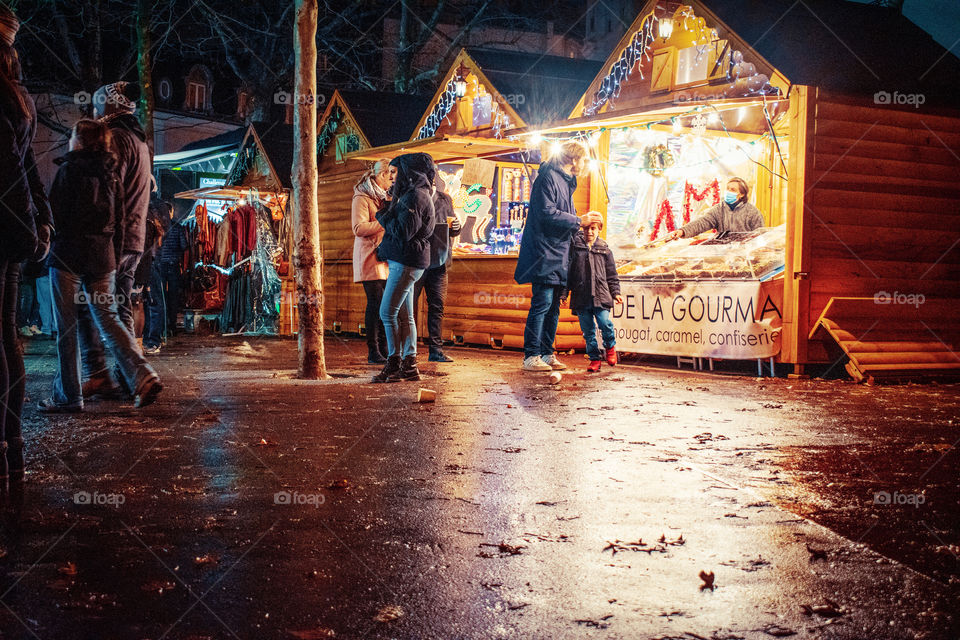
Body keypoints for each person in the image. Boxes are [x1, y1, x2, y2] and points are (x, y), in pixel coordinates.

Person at [41, 119, 162, 413]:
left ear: (79, 141)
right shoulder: (112, 177)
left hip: (68, 256)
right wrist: (112, 254)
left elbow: (55, 217)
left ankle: (69, 395)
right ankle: (142, 373)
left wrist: (48, 252)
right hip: (102, 257)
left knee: (66, 328)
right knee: (109, 319)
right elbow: (119, 222)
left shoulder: (68, 171)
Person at [0, 5, 53, 482]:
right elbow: (27, 166)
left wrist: (33, 224)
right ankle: (11, 444)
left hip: (8, 227)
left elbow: (12, 169)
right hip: (16, 230)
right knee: (7, 335)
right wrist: (40, 224)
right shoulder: (19, 98)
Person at [78, 81, 152, 398]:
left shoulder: (118, 139)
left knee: (90, 305)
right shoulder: (139, 140)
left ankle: (98, 373)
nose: (95, 112)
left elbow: (109, 191)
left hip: (114, 238)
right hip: (134, 237)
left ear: (111, 106)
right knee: (119, 306)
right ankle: (130, 378)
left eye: (99, 106)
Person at [514, 141, 601, 372]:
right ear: (572, 159)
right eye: (583, 160)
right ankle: (531, 355)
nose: (584, 165)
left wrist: (578, 223)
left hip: (558, 254)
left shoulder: (565, 182)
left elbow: (562, 214)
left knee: (553, 306)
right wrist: (578, 220)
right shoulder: (548, 178)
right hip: (544, 253)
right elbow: (546, 213)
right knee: (541, 304)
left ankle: (546, 352)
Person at [371, 152, 435, 383]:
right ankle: (409, 365)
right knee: (406, 315)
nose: (392, 178)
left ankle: (394, 363)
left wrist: (381, 215)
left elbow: (404, 231)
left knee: (386, 312)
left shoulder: (415, 197)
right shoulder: (415, 195)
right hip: (408, 260)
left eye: (395, 173)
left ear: (408, 172)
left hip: (406, 261)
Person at [563, 217, 622, 373]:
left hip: (601, 295)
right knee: (588, 331)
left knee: (604, 323)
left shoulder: (605, 250)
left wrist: (616, 293)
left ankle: (610, 346)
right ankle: (594, 359)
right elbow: (569, 274)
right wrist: (564, 294)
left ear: (599, 230)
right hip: (581, 297)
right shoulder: (575, 249)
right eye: (586, 228)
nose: (589, 232)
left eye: (593, 229)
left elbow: (612, 275)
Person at [413, 173, 461, 363]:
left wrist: (456, 227)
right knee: (411, 306)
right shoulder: (415, 197)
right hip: (418, 259)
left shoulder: (445, 199)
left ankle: (436, 350)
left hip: (440, 260)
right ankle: (409, 350)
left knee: (437, 306)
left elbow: (454, 226)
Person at [351, 158, 394, 364]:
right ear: (382, 175)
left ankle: (384, 348)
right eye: (390, 176)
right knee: (375, 302)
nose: (392, 181)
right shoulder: (362, 197)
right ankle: (373, 350)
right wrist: (383, 221)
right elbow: (358, 228)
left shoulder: (385, 198)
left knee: (384, 304)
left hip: (384, 257)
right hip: (369, 256)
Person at [667, 177, 764, 240]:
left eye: (733, 190)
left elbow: (760, 235)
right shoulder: (719, 209)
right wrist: (683, 231)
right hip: (723, 253)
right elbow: (702, 222)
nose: (728, 191)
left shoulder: (752, 212)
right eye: (728, 188)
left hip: (744, 255)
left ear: (742, 194)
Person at [139, 194, 170, 354]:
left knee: (152, 302)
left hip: (151, 263)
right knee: (148, 302)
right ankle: (149, 340)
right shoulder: (155, 212)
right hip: (149, 263)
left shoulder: (152, 215)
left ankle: (152, 340)